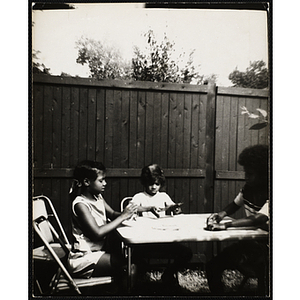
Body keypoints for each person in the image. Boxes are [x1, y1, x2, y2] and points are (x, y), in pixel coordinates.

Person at [205, 144, 269, 295]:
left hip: (268, 248)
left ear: (263, 174)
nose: (246, 177)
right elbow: (234, 205)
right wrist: (220, 214)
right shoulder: (248, 189)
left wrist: (227, 225)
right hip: (250, 244)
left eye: (250, 174)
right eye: (246, 173)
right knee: (212, 266)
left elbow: (258, 219)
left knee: (264, 275)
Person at [67, 160, 138, 291]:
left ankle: (120, 289)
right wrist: (123, 217)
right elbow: (97, 233)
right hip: (83, 258)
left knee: (134, 260)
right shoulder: (81, 204)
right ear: (87, 182)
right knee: (129, 267)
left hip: (98, 251)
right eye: (101, 180)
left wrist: (129, 212)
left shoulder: (97, 197)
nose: (105, 183)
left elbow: (111, 213)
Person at [131, 164, 192, 289]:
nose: (154, 187)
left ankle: (168, 274)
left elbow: (173, 208)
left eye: (157, 184)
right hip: (144, 241)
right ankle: (140, 281)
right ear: (144, 182)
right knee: (134, 255)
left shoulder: (163, 196)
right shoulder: (139, 197)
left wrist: (176, 209)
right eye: (150, 183)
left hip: (164, 240)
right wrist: (148, 208)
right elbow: (132, 209)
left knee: (187, 253)